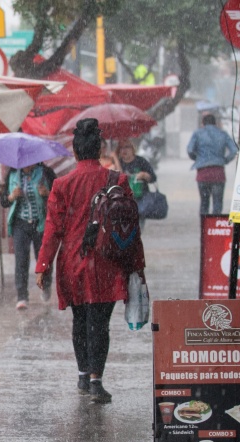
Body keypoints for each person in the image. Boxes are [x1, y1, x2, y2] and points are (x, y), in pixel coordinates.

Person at [35, 118, 145, 404]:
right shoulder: (117, 180)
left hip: (73, 263)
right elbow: (130, 228)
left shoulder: (61, 184)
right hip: (107, 263)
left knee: (80, 320)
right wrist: (138, 266)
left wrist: (43, 266)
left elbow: (53, 230)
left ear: (75, 152)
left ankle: (83, 374)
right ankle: (96, 379)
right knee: (100, 323)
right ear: (99, 149)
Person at [1, 161, 56, 309]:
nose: (27, 166)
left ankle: (46, 285)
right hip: (20, 223)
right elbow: (3, 201)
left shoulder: (46, 173)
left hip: (41, 223)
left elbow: (60, 197)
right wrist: (12, 196)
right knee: (21, 260)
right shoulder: (13, 175)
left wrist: (47, 193)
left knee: (43, 259)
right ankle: (22, 296)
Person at [186, 113, 239, 215]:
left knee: (204, 203)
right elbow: (234, 150)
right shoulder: (223, 134)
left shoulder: (197, 134)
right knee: (217, 204)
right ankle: (215, 227)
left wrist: (198, 159)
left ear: (203, 123)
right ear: (216, 123)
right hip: (218, 173)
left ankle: (204, 227)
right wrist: (225, 160)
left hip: (203, 174)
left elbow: (190, 150)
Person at [116, 139, 157, 229]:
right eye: (121, 147)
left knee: (137, 230)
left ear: (133, 148)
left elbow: (153, 177)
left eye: (127, 147)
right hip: (123, 201)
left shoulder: (141, 161)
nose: (124, 150)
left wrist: (145, 175)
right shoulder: (118, 163)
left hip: (140, 200)